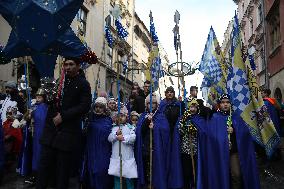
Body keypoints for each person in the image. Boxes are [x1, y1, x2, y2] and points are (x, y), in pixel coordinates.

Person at [36, 57, 92, 189]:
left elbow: (84, 106)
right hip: (51, 132)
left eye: (71, 64)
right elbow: (51, 102)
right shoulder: (58, 82)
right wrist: (48, 96)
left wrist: (64, 116)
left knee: (62, 170)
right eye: (65, 64)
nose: (67, 67)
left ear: (78, 66)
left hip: (67, 132)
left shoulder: (83, 84)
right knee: (44, 167)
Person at [206, 94, 260, 189]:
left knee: (236, 174)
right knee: (222, 175)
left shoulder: (236, 117)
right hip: (220, 153)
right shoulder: (215, 117)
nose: (225, 104)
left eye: (227, 102)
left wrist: (234, 129)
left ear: (231, 104)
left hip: (233, 152)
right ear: (220, 104)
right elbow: (211, 136)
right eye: (223, 102)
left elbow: (245, 133)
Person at [136, 92, 170, 189]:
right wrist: (147, 121)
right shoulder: (143, 116)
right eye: (149, 103)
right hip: (146, 147)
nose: (151, 105)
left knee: (155, 169)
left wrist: (155, 128)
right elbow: (140, 131)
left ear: (157, 104)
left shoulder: (161, 116)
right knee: (146, 168)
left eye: (154, 103)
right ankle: (147, 184)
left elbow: (165, 131)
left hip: (156, 148)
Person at [174, 98, 207, 189]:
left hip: (196, 151)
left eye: (194, 107)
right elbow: (179, 132)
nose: (192, 109)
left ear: (197, 108)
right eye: (191, 107)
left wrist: (193, 129)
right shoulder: (182, 118)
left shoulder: (200, 119)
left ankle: (195, 186)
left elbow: (203, 132)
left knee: (195, 172)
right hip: (185, 150)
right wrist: (183, 124)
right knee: (186, 173)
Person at [86, 97, 113, 189]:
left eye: (100, 107)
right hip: (91, 150)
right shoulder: (89, 120)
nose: (98, 109)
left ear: (104, 109)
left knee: (101, 171)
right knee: (91, 171)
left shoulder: (108, 121)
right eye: (96, 107)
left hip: (103, 151)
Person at [108, 106, 137, 189]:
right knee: (117, 178)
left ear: (126, 117)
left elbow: (133, 138)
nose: (121, 118)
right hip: (116, 157)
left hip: (127, 157)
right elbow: (109, 138)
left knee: (129, 178)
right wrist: (116, 135)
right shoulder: (114, 128)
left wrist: (124, 138)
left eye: (123, 116)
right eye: (119, 116)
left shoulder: (130, 127)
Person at [24, 88, 48, 185]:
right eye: (37, 97)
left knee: (40, 156)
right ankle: (35, 175)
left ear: (44, 98)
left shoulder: (46, 107)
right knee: (35, 155)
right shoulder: (34, 107)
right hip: (34, 135)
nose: (38, 99)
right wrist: (29, 111)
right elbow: (26, 118)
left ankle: (39, 177)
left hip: (42, 135)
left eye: (40, 97)